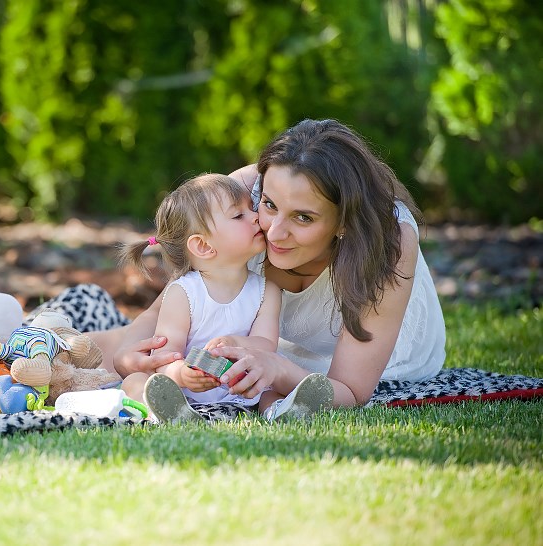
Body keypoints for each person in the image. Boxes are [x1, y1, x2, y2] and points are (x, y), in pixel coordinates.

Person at [85, 118, 445, 419]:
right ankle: (39, 338)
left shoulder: (388, 241)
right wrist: (130, 357)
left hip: (375, 365)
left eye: (303, 217)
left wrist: (277, 366)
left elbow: (350, 389)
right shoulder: (238, 200)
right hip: (262, 350)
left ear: (344, 222)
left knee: (274, 384)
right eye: (270, 204)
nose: (273, 231)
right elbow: (162, 313)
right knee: (100, 354)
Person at [114, 173, 287, 421]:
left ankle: (280, 411)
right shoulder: (183, 293)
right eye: (239, 215)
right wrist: (183, 374)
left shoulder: (266, 290)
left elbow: (266, 344)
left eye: (251, 208)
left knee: (272, 388)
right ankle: (170, 410)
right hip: (187, 390)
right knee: (136, 381)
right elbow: (165, 357)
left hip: (243, 387)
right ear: (204, 246)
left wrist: (235, 343)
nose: (256, 216)